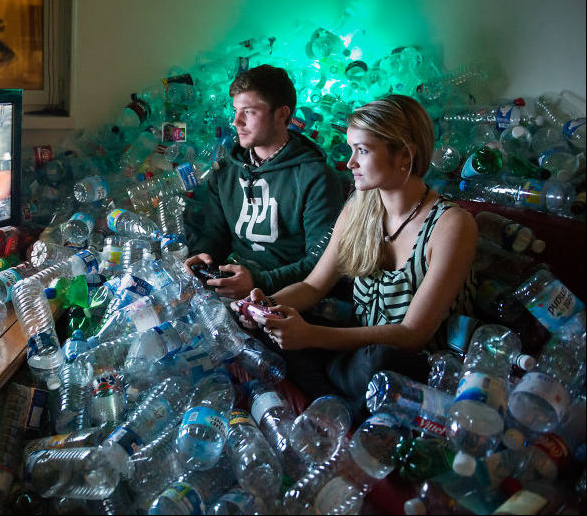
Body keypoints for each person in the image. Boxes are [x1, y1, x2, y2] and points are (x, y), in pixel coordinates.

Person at [234, 94, 478, 421]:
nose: (350, 163)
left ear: (404, 155)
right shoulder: (358, 209)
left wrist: (310, 335)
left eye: (362, 150)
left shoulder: (451, 224)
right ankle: (340, 406)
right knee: (268, 334)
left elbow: (412, 335)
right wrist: (266, 307)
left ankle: (339, 406)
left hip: (414, 365)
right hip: (356, 350)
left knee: (377, 361)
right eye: (351, 150)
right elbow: (313, 286)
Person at [183, 64, 345, 300]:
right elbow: (214, 234)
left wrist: (260, 283)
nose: (236, 121)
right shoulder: (226, 171)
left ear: (281, 114)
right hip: (233, 286)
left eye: (249, 112)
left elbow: (321, 263)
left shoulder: (316, 177)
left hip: (288, 298)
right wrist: (202, 255)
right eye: (236, 111)